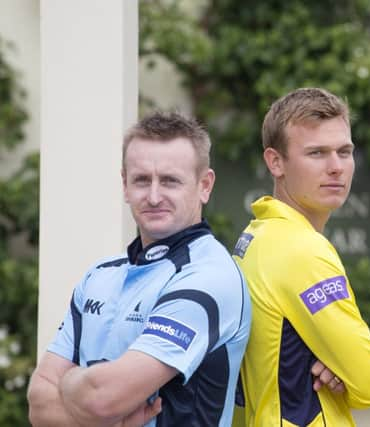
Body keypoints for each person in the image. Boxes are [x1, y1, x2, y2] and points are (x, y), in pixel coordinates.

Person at [27, 111, 251, 427]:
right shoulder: (100, 274)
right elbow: (39, 403)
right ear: (125, 185)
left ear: (205, 185)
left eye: (170, 181)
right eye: (142, 180)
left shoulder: (209, 276)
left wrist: (70, 381)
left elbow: (103, 398)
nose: (154, 196)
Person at [233, 87, 370, 426]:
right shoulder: (301, 249)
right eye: (317, 153)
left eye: (344, 152)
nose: (336, 167)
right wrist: (343, 372)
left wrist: (339, 368)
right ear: (276, 162)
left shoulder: (257, 234)